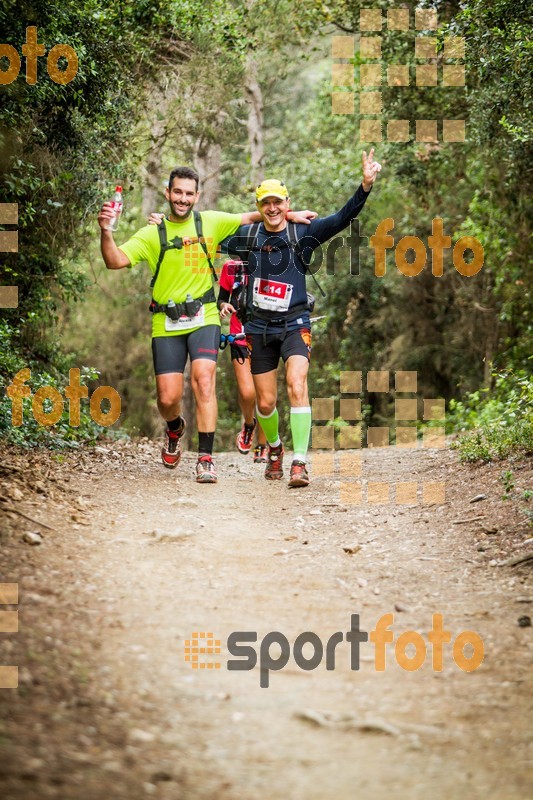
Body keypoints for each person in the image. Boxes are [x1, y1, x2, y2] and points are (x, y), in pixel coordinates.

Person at [98, 166, 316, 484]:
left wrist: (290, 216)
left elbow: (255, 216)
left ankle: (205, 458)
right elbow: (114, 260)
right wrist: (106, 230)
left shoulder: (211, 221)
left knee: (204, 381)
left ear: (197, 196)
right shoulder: (152, 234)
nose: (183, 198)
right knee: (167, 398)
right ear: (168, 193)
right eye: (177, 192)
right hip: (166, 321)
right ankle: (174, 429)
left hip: (205, 316)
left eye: (189, 193)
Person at [218, 149, 382, 488]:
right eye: (266, 203)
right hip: (258, 326)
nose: (273, 208)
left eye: (278, 202)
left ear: (287, 203)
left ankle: (299, 462)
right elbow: (209, 233)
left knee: (297, 384)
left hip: (294, 322)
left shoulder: (302, 235)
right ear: (260, 206)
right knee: (265, 402)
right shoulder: (248, 237)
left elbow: (341, 218)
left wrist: (365, 186)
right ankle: (275, 449)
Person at [218, 259, 268, 462]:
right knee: (248, 393)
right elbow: (221, 298)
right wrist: (224, 305)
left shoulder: (274, 262)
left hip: (267, 336)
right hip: (239, 336)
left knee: (266, 397)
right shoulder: (231, 267)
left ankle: (264, 446)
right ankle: (249, 425)